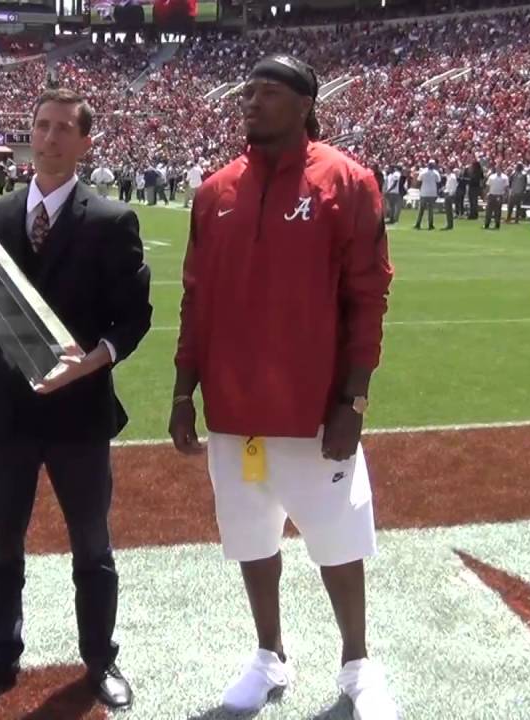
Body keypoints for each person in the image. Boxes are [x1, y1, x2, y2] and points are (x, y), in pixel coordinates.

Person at [170, 54, 398, 719]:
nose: (252, 102)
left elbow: (369, 296)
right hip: (234, 412)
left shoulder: (348, 182)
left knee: (339, 541)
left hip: (315, 411)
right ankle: (269, 655)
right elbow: (195, 298)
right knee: (250, 539)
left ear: (304, 104)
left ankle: (357, 662)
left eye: (268, 92)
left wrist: (354, 398)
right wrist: (185, 390)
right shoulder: (215, 192)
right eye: (248, 92)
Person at [0, 88, 152, 710]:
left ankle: (100, 662)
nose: (50, 137)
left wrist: (95, 360)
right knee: (1, 541)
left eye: (63, 129)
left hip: (80, 413)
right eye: (42, 125)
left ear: (85, 143)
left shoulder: (112, 221)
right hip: (5, 408)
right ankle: (0, 660)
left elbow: (133, 318)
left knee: (93, 546)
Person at [414, 160, 441, 230]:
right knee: (430, 210)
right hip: (432, 193)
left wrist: (420, 189)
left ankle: (418, 223)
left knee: (421, 209)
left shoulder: (423, 172)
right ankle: (430, 225)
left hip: (424, 193)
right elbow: (438, 183)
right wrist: (437, 192)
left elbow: (418, 182)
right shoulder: (436, 173)